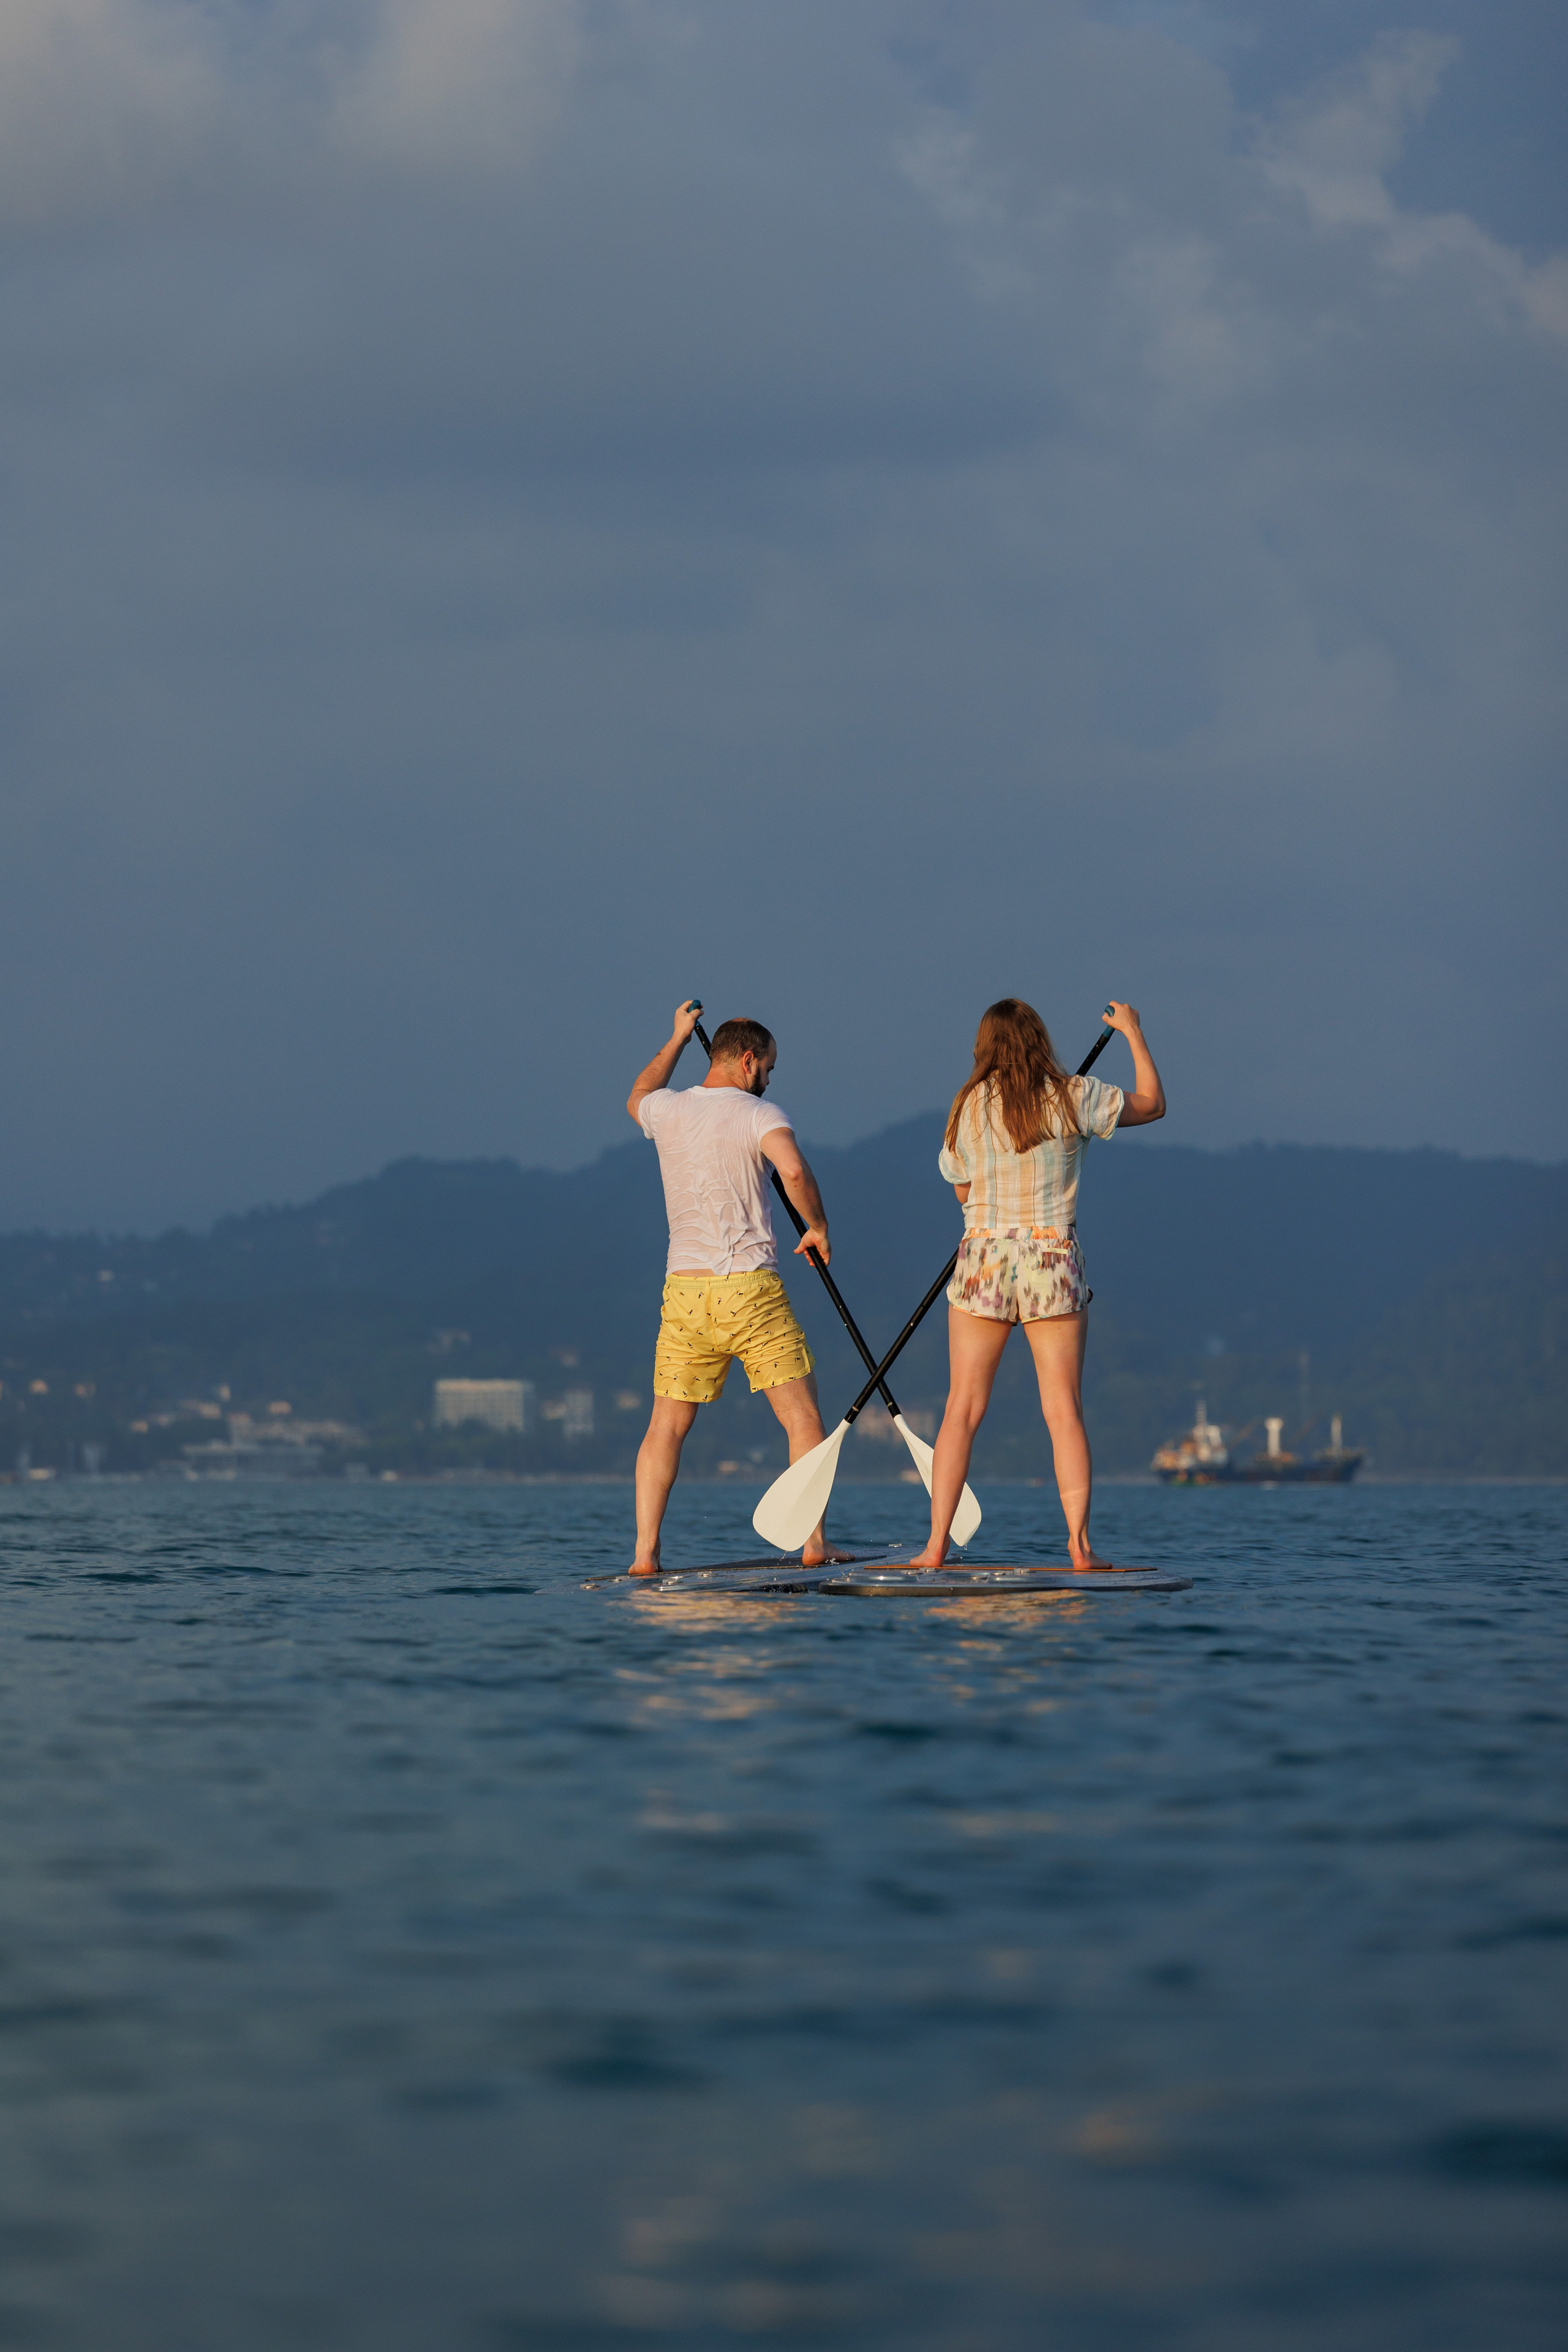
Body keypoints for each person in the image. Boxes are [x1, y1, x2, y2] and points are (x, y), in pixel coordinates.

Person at [908, 998, 1166, 1572]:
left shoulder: (968, 1104)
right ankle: (1079, 1547)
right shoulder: (1074, 1094)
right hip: (1052, 1255)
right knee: (1063, 1409)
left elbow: (960, 1188)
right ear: (1039, 1039)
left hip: (983, 1257)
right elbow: (1153, 1105)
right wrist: (1132, 1033)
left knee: (962, 1409)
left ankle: (933, 1549)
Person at [626, 1001, 850, 1576]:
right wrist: (818, 1227)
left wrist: (675, 1037)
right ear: (748, 1061)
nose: (770, 1079)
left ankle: (645, 1556)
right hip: (749, 1289)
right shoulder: (758, 1113)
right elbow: (794, 1171)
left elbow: (637, 1095)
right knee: (802, 1418)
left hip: (683, 1292)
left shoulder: (667, 1111)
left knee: (665, 1427)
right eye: (769, 1068)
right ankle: (813, 1545)